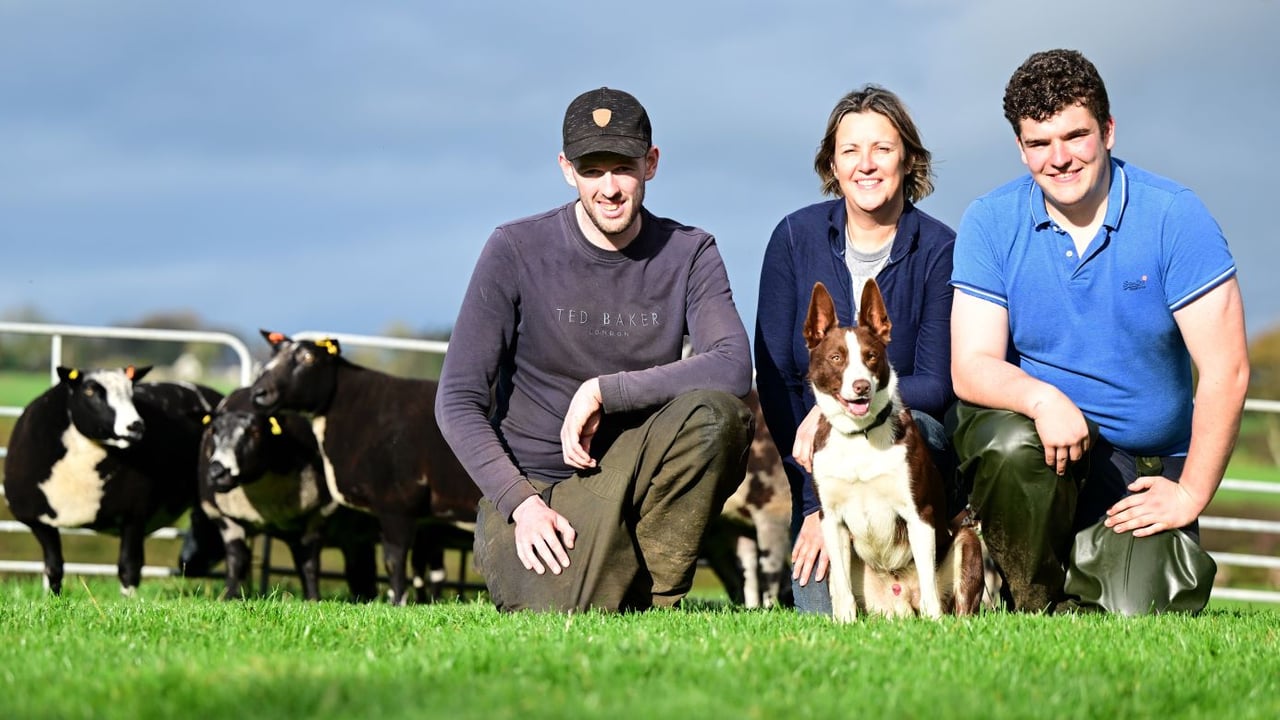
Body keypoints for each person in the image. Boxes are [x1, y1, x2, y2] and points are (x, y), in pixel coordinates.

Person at [948, 49, 1249, 613]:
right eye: (1039, 143)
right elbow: (971, 365)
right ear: (1020, 147)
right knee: (1010, 443)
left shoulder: (1175, 217)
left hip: (1141, 470)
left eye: (1075, 136)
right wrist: (1043, 398)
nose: (1058, 158)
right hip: (1041, 451)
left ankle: (1095, 577)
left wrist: (1189, 494)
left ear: (1108, 131)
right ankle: (1026, 602)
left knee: (1138, 613)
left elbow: (1227, 369)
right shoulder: (989, 220)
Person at [436, 87, 755, 613]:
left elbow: (732, 364)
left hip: (636, 481)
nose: (609, 187)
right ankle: (605, 577)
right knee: (559, 614)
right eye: (592, 169)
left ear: (650, 164)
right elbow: (456, 400)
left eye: (623, 167)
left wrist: (607, 391)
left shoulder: (690, 251)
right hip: (541, 488)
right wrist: (521, 506)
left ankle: (658, 597)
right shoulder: (514, 249)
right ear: (567, 168)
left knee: (717, 416)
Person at [754, 85, 958, 614]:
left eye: (882, 149)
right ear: (832, 163)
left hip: (910, 447)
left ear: (907, 158)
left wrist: (840, 412)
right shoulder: (794, 239)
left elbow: (937, 382)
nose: (866, 165)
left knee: (925, 427)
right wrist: (815, 506)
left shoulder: (940, 249)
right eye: (850, 151)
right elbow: (776, 380)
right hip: (825, 476)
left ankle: (934, 568)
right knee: (825, 613)